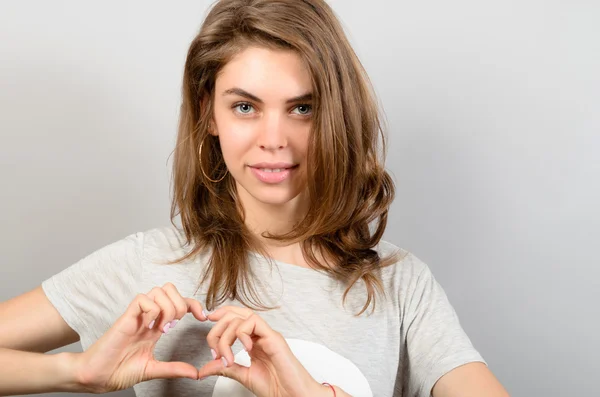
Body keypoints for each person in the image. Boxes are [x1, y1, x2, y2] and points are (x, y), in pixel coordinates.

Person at [0, 0, 511, 396]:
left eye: (303, 108)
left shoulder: (401, 285)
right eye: (245, 106)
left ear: (337, 114)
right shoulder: (150, 263)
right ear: (209, 114)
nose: (274, 138)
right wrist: (77, 371)